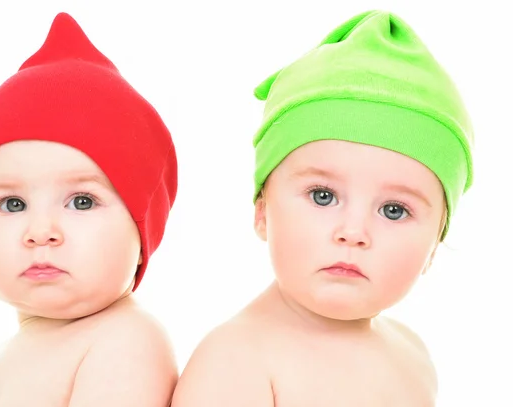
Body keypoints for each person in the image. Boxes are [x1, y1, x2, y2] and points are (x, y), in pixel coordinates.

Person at [171, 10, 473, 406]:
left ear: (435, 244)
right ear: (262, 211)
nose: (352, 232)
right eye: (323, 196)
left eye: (394, 210)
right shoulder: (236, 364)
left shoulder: (412, 357)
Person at [0, 12, 178, 406]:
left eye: (82, 202)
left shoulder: (123, 342)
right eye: (12, 204)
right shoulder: (13, 351)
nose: (41, 231)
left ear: (142, 230)